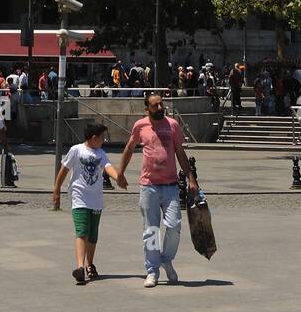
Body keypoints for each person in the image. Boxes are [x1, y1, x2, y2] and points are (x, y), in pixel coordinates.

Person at [116, 90, 198, 287]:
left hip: (170, 186)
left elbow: (180, 151)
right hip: (149, 186)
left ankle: (165, 258)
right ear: (147, 108)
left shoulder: (173, 125)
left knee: (174, 226)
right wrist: (120, 172)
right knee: (151, 230)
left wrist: (191, 179)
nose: (160, 108)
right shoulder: (140, 126)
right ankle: (152, 270)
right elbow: (129, 148)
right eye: (155, 105)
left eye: (161, 104)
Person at [52, 120, 124, 284]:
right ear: (93, 137)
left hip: (96, 199)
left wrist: (118, 177)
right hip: (79, 196)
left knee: (93, 234)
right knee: (82, 231)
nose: (103, 140)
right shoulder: (76, 150)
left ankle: (89, 263)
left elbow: (107, 167)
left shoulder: (101, 153)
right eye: (102, 137)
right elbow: (64, 170)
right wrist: (56, 190)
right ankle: (80, 267)